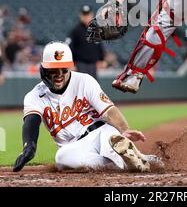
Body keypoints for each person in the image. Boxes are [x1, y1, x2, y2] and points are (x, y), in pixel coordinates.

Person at [13, 41, 163, 172]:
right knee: (62, 158)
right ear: (44, 69)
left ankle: (135, 159)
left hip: (102, 132)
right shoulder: (34, 96)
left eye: (64, 69)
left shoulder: (84, 81)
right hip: (75, 147)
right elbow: (31, 121)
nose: (59, 74)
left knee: (113, 143)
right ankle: (130, 162)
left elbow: (108, 110)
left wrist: (124, 129)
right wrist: (29, 147)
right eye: (54, 69)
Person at [68, 5, 105, 79]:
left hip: (93, 65)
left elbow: (99, 46)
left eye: (88, 14)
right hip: (80, 64)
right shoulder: (75, 31)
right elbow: (69, 48)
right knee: (81, 86)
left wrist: (102, 59)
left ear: (92, 15)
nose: (86, 17)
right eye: (84, 15)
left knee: (93, 87)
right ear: (80, 15)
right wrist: (71, 64)